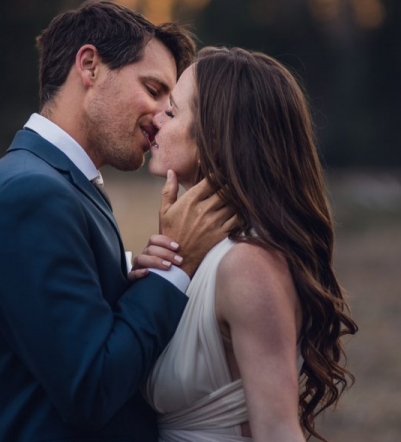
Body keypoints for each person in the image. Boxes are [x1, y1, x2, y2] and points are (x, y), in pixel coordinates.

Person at [0, 0, 235, 441]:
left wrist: (134, 284)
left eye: (171, 103)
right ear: (90, 66)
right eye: (154, 89)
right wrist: (174, 271)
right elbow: (90, 387)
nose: (162, 119)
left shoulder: (59, 185)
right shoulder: (28, 196)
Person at [133, 47, 359, 442]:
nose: (154, 118)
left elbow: (278, 431)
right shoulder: (203, 255)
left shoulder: (248, 265)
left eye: (171, 112)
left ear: (215, 138)